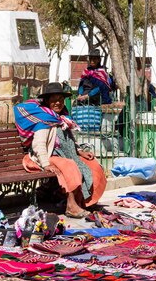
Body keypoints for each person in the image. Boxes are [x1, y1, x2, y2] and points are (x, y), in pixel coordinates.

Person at [14, 82, 107, 218]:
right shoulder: (44, 120)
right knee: (69, 166)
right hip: (47, 156)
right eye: (54, 100)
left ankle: (86, 201)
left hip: (65, 155)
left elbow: (69, 139)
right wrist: (46, 164)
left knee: (92, 165)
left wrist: (80, 151)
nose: (58, 103)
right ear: (47, 102)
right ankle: (71, 205)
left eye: (61, 100)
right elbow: (39, 145)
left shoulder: (62, 118)